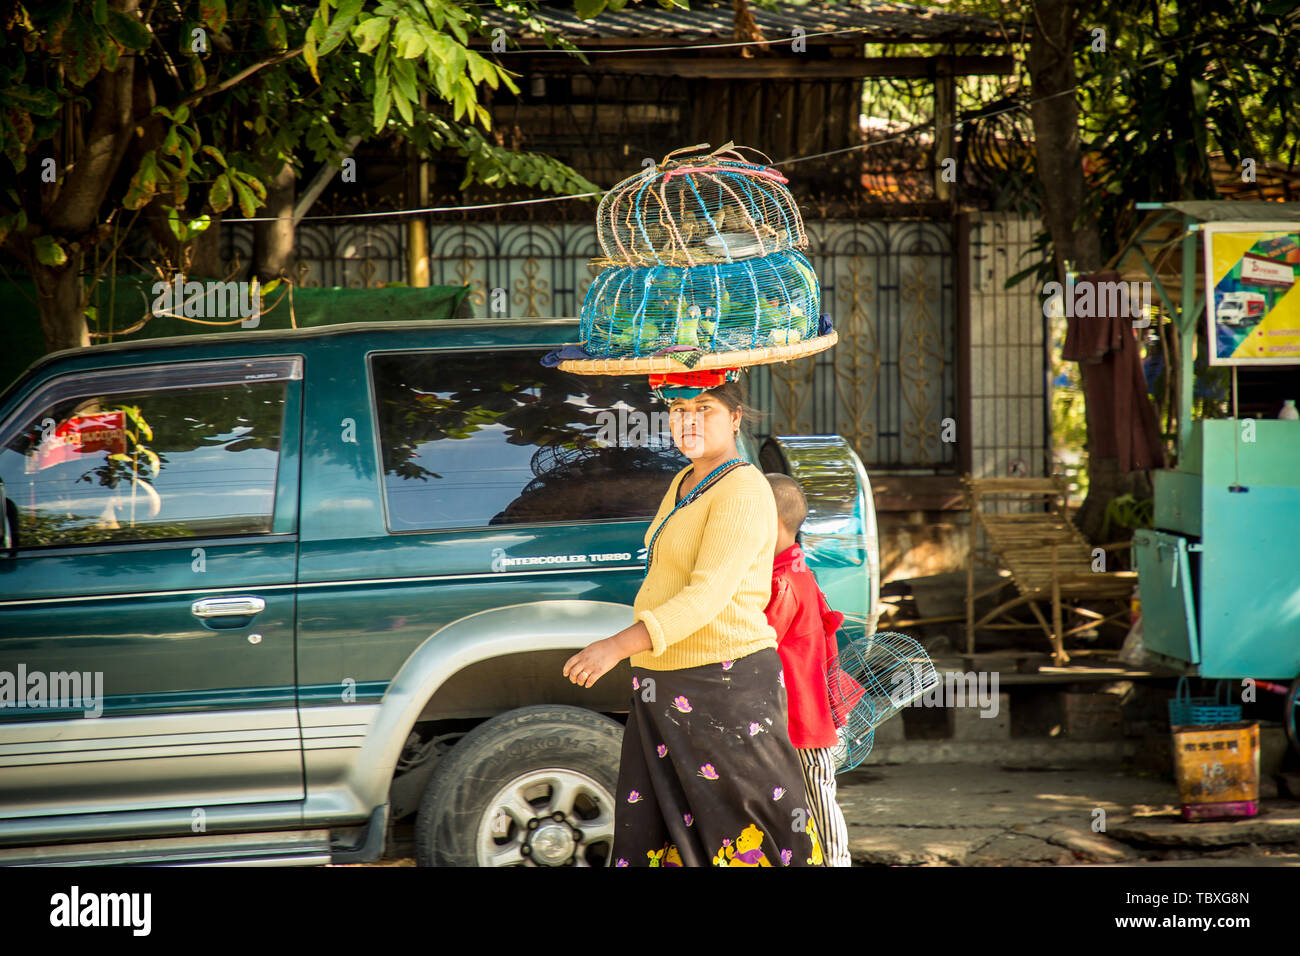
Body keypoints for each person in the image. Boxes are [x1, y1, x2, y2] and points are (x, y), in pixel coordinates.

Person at [562, 373, 824, 867]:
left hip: (723, 686)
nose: (688, 420)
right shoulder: (686, 481)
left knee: (746, 839)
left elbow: (707, 595)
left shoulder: (743, 489)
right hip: (664, 683)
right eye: (678, 409)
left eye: (703, 407)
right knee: (662, 838)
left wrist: (618, 645)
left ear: (735, 418)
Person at [764, 473, 854, 868]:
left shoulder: (781, 582)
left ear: (771, 521)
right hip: (801, 715)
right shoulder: (798, 570)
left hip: (805, 720)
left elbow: (759, 640)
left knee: (819, 800)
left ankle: (837, 862)